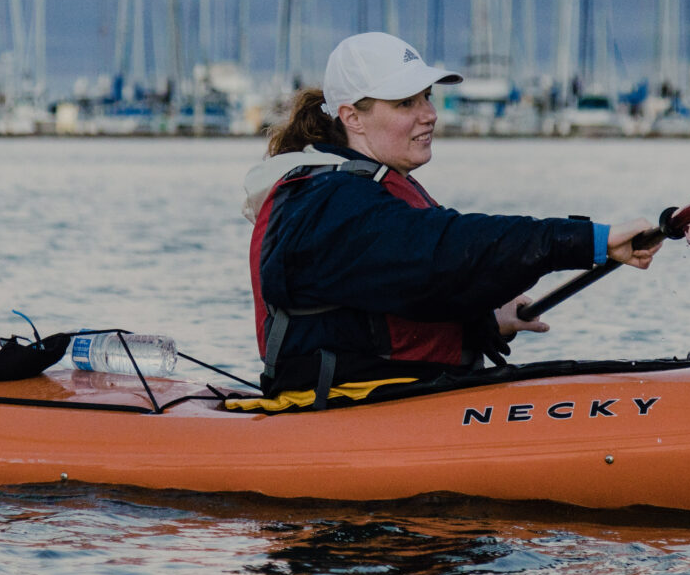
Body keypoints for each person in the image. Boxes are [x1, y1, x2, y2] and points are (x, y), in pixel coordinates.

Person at [243, 32, 657, 398]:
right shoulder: (326, 201)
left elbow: (403, 288)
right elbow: (443, 251)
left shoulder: (357, 191)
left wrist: (484, 321)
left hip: (397, 389)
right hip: (346, 404)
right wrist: (591, 241)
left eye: (426, 96)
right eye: (406, 102)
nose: (429, 113)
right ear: (352, 117)